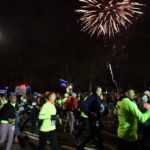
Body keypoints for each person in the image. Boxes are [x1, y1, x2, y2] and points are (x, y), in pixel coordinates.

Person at [77, 86, 104, 150]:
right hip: (94, 120)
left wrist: (101, 109)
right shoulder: (92, 97)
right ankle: (100, 147)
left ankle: (81, 146)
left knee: (93, 134)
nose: (101, 92)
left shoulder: (97, 98)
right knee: (99, 135)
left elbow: (98, 107)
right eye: (100, 90)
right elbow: (83, 105)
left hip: (98, 119)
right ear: (96, 91)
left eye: (101, 91)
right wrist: (90, 113)